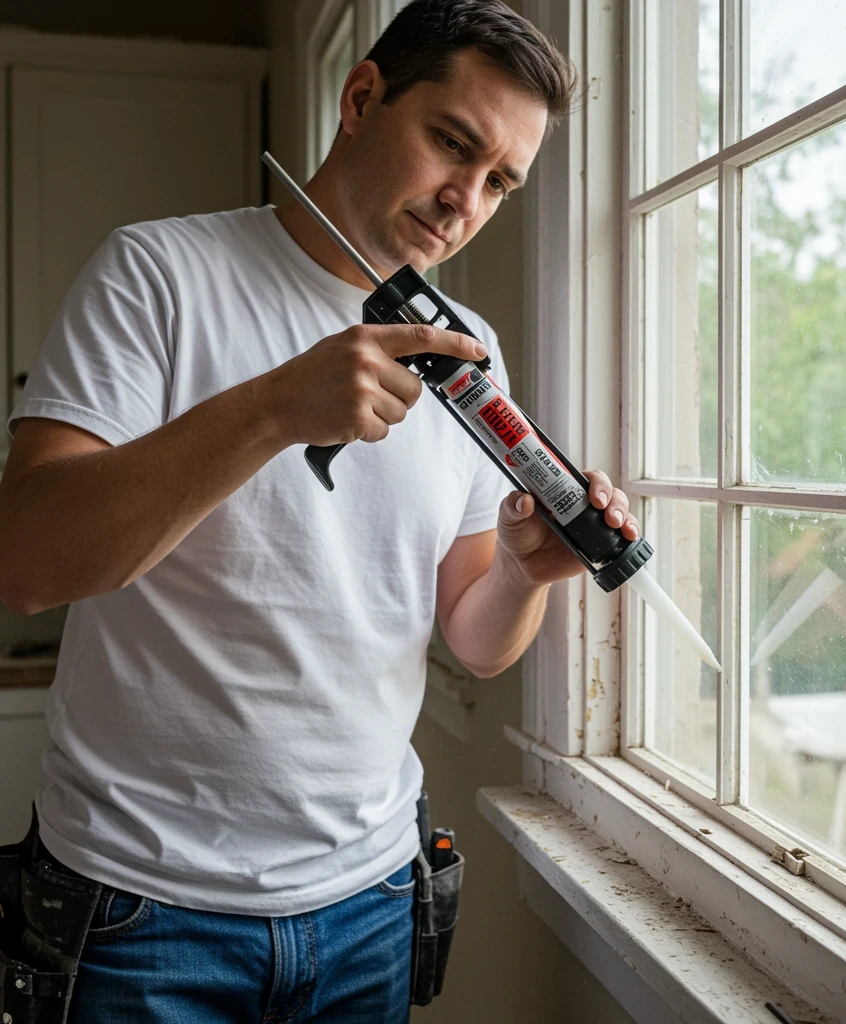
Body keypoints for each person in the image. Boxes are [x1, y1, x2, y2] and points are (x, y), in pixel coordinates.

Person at [0, 1, 639, 1020]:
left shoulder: (465, 350)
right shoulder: (158, 272)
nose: (463, 200)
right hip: (139, 909)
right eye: (452, 143)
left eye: (499, 182)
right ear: (360, 98)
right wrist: (269, 410)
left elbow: (472, 638)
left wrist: (527, 569)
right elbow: (27, 562)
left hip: (372, 904)